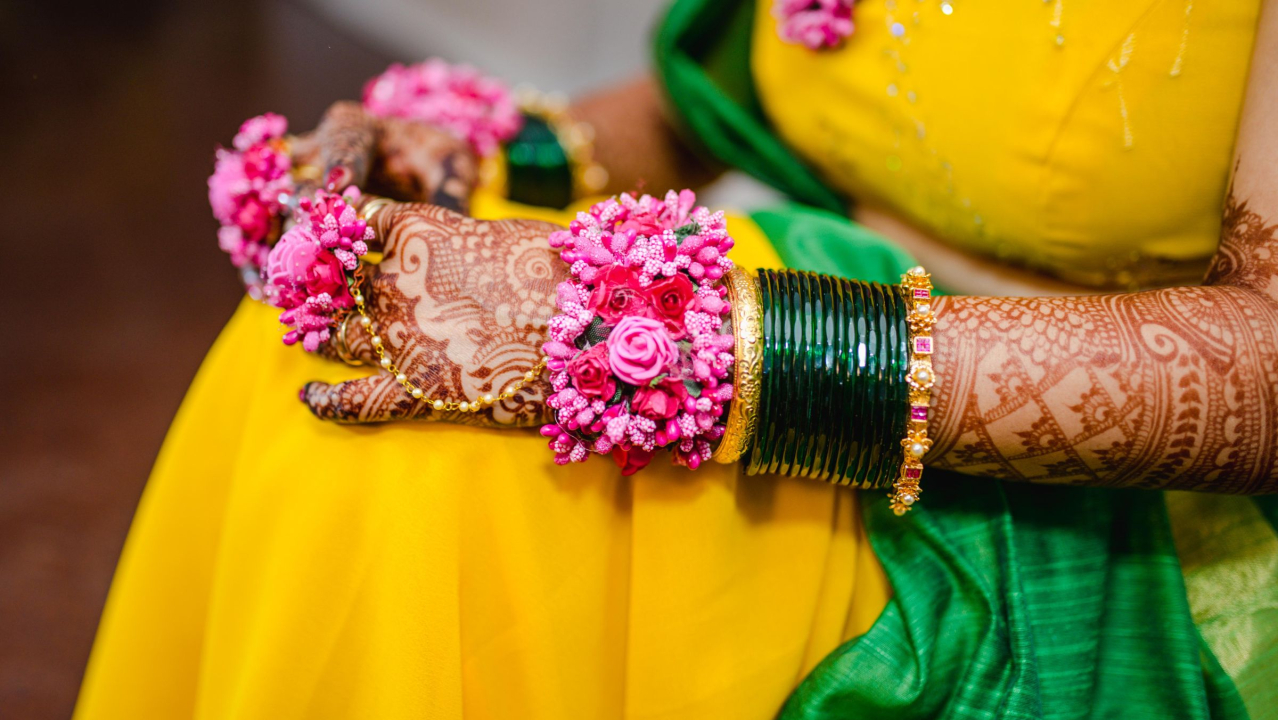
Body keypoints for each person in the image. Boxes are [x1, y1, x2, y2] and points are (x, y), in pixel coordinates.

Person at [77, 0, 1278, 717]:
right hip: (800, 309)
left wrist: (684, 351)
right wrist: (462, 168)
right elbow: (700, 112)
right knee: (333, 349)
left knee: (439, 474)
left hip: (1098, 495)